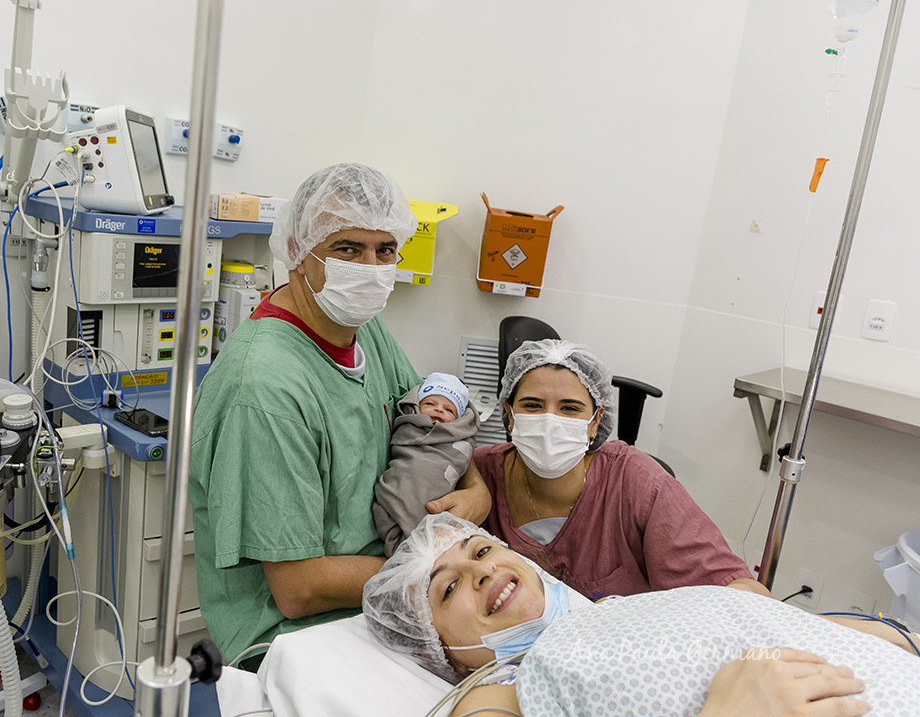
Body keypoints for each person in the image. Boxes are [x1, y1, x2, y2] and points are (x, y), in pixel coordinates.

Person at [187, 163, 490, 668]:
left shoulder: (361, 328)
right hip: (295, 636)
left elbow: (434, 420)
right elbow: (300, 589)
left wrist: (476, 488)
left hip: (387, 590)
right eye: (347, 248)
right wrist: (433, 568)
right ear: (296, 253)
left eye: (385, 249)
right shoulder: (263, 387)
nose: (370, 267)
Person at [363, 513, 918, 717]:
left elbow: (744, 621)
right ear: (436, 650)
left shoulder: (616, 610)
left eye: (481, 551)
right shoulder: (499, 690)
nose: (480, 572)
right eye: (447, 589)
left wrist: (884, 633)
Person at [475, 338, 768, 600]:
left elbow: (736, 588)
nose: (550, 421)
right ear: (509, 413)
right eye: (533, 405)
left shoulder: (635, 481)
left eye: (570, 408)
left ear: (595, 420)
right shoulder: (478, 474)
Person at [373, 372, 480, 557]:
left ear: (458, 420)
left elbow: (460, 461)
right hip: (397, 490)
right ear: (416, 406)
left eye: (449, 410)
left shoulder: (457, 440)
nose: (439, 410)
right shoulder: (408, 426)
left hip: (432, 500)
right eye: (430, 404)